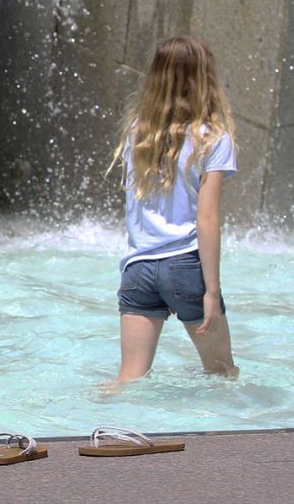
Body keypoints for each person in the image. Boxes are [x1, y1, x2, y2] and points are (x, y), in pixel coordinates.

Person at [109, 35, 238, 382]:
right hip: (185, 267)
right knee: (222, 374)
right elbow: (207, 218)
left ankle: (88, 427)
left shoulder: (139, 132)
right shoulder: (212, 138)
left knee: (130, 379)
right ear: (204, 78)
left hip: (138, 269)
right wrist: (211, 291)